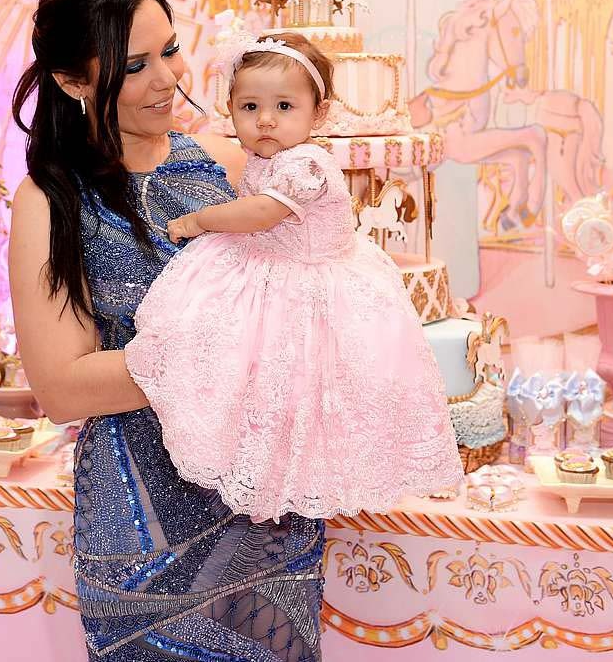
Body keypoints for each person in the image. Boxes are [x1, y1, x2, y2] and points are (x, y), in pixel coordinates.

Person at [8, 0, 325, 661]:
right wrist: (230, 349)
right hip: (142, 523)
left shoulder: (235, 168)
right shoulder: (51, 202)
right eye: (134, 65)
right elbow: (61, 387)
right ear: (73, 81)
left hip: (265, 505)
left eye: (171, 50)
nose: (167, 78)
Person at [125, 31, 462, 522]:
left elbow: (262, 213)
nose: (265, 120)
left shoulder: (308, 163)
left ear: (318, 115)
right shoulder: (263, 159)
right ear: (231, 110)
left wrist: (199, 220)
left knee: (313, 383)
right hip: (274, 272)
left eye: (284, 106)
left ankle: (304, 471)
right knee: (254, 372)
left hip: (313, 285)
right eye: (249, 107)